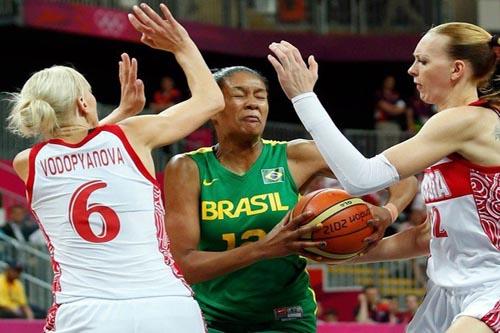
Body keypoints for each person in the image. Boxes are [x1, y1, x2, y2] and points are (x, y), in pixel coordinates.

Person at [268, 23, 499, 333]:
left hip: (491, 286)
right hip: (449, 292)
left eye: (423, 60)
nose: (412, 69)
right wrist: (335, 255)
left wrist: (303, 97)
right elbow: (424, 238)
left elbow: (361, 179)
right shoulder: (445, 135)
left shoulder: (468, 119)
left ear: (457, 69)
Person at [6, 3, 224, 333]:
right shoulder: (133, 135)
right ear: (83, 104)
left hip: (84, 311)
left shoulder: (28, 163)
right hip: (164, 306)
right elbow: (211, 101)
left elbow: (74, 148)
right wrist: (182, 45)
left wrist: (117, 114)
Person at [163, 65, 418, 332]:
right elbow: (185, 265)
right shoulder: (188, 168)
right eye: (239, 95)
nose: (253, 104)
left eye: (260, 96)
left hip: (287, 315)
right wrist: (264, 248)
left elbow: (404, 177)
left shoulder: (296, 156)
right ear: (214, 108)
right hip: (213, 319)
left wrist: (388, 212)